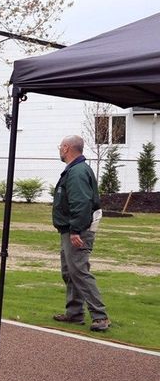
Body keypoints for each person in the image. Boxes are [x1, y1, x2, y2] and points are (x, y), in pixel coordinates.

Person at [52, 135, 109, 331]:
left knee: (79, 271)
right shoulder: (75, 170)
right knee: (70, 272)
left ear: (67, 148)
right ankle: (74, 313)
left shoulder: (77, 172)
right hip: (70, 229)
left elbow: (81, 202)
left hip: (77, 231)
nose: (59, 149)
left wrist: (76, 230)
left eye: (61, 146)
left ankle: (100, 316)